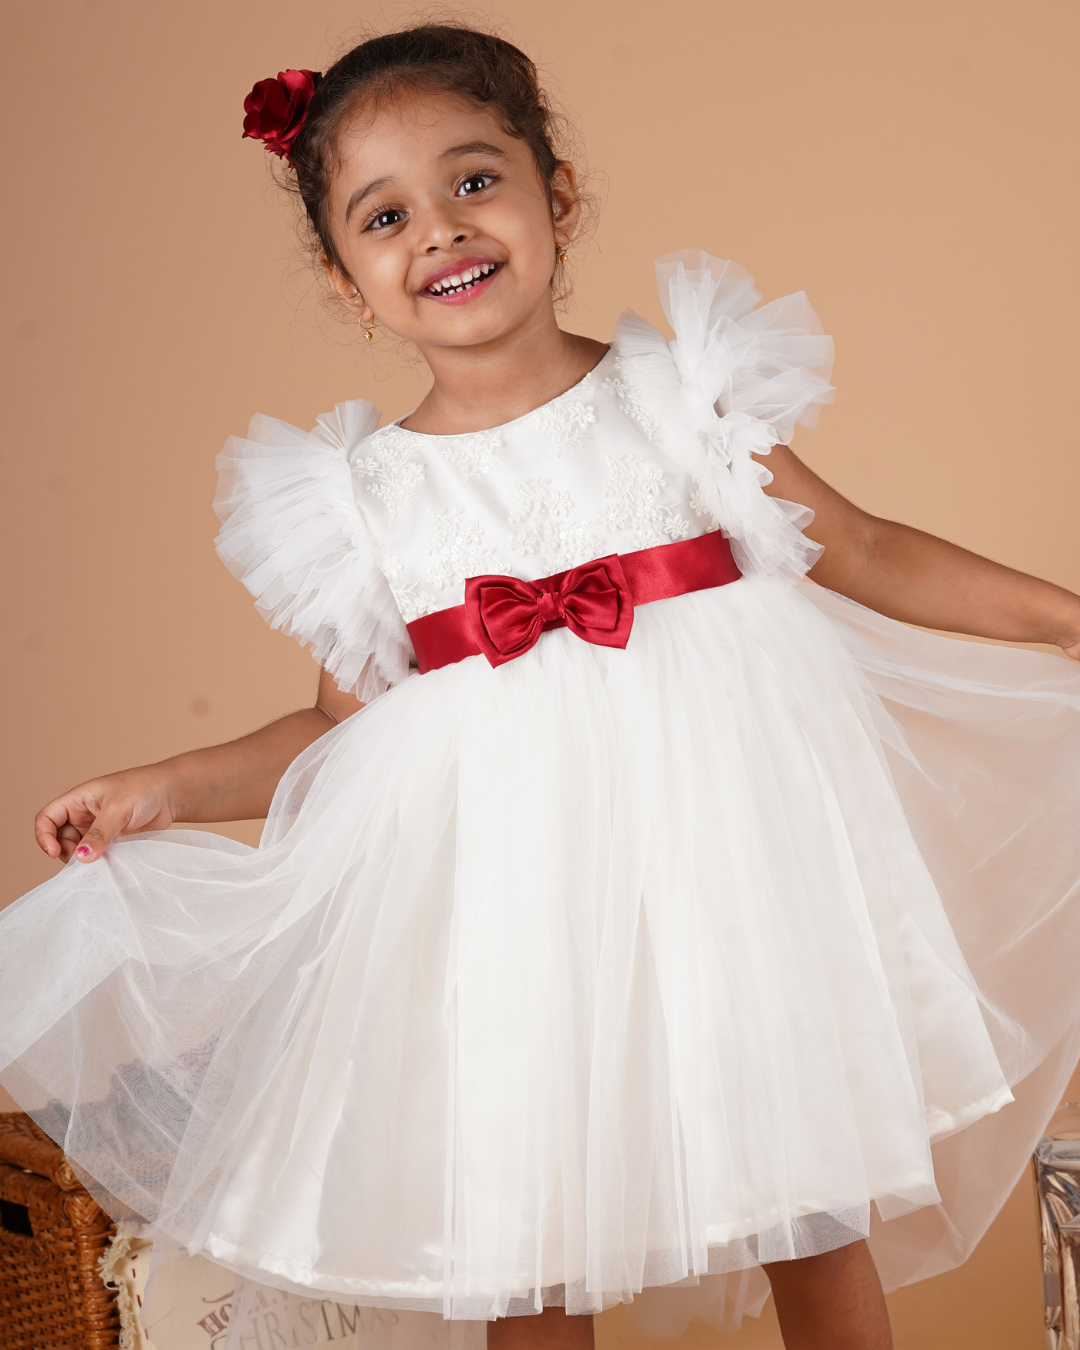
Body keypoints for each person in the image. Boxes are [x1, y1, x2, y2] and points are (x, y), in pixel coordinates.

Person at [2, 22, 1079, 1350]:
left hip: (731, 884)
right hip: (515, 920)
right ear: (348, 281)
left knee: (809, 1203)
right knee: (527, 1250)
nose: (441, 232)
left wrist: (1066, 622)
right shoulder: (363, 502)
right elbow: (335, 735)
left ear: (555, 196)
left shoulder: (679, 397)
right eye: (384, 215)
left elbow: (861, 550)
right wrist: (161, 786)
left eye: (473, 181)